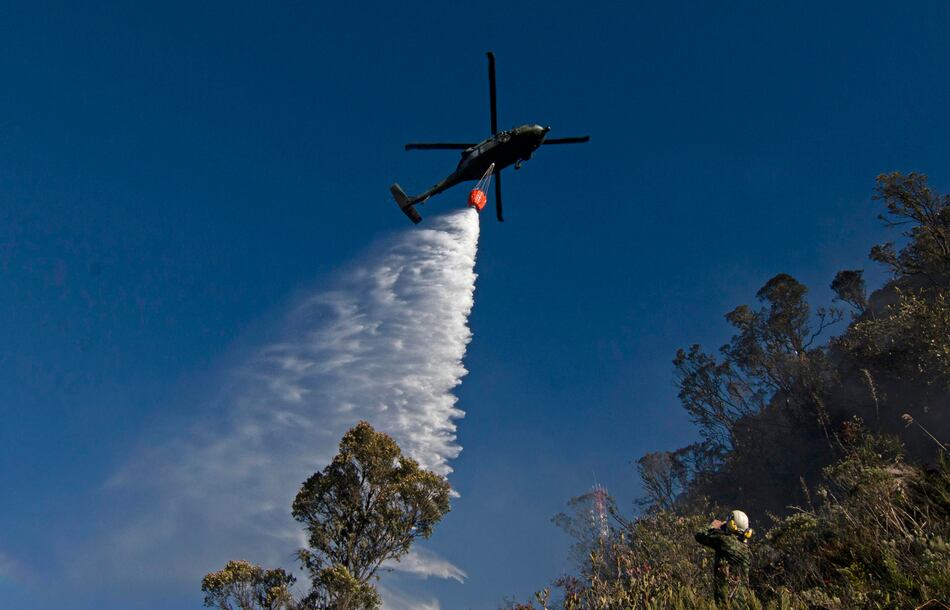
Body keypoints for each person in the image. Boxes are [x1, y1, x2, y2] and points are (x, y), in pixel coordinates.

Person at [695, 509, 753, 606]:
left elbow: (699, 535)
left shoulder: (724, 541)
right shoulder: (747, 550)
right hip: (743, 600)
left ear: (732, 525)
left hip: (727, 599)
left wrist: (715, 526)